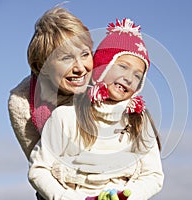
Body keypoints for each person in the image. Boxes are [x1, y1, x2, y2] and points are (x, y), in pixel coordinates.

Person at [28, 18, 164, 200]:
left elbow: (153, 175)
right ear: (101, 66)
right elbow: (39, 169)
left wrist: (128, 196)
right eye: (122, 66)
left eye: (138, 75)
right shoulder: (66, 116)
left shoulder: (138, 122)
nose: (129, 78)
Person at [8, 5, 93, 160]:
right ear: (42, 66)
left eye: (85, 54)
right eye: (66, 58)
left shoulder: (107, 80)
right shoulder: (22, 101)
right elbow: (41, 164)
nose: (80, 68)